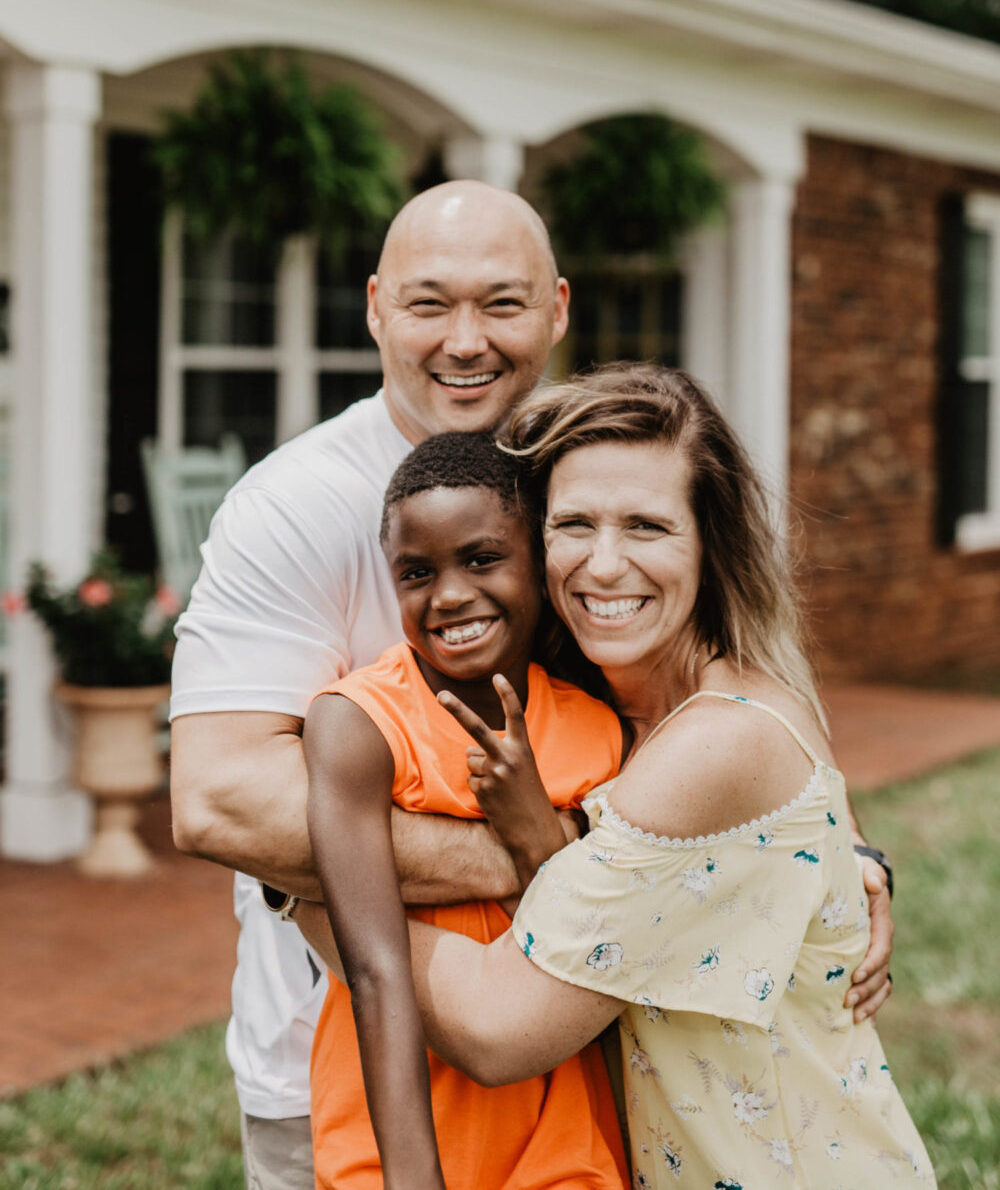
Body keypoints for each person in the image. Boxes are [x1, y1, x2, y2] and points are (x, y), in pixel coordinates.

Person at [169, 181, 893, 1187]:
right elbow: (218, 799)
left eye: (501, 303)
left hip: (583, 1079)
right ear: (375, 306)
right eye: (429, 302)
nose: (465, 340)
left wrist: (842, 847)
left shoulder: (576, 471)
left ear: (556, 309)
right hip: (341, 1070)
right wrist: (552, 858)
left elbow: (734, 663)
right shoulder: (295, 507)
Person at [296, 364, 932, 1188]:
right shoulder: (602, 711)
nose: (602, 566)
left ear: (711, 541)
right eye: (574, 525)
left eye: (646, 527)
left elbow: (497, 1026)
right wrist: (862, 858)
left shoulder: (716, 743)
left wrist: (316, 889)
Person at [304, 431, 627, 1189]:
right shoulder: (359, 726)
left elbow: (594, 941)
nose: (448, 595)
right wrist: (413, 1179)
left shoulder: (597, 729)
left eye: (482, 559)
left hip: (562, 1137)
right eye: (417, 573)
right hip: (396, 1137)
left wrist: (535, 830)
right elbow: (377, 967)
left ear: (539, 566)